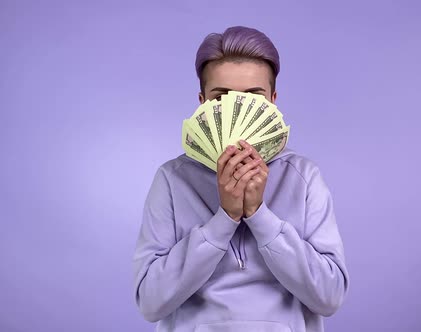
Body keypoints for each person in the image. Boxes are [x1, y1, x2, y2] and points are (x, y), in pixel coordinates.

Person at [133, 26, 349, 332]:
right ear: (202, 102)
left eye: (254, 98)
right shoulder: (172, 179)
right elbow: (150, 303)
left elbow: (329, 297)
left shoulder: (304, 177)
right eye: (221, 97)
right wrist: (225, 218)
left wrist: (259, 215)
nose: (237, 110)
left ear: (273, 101)